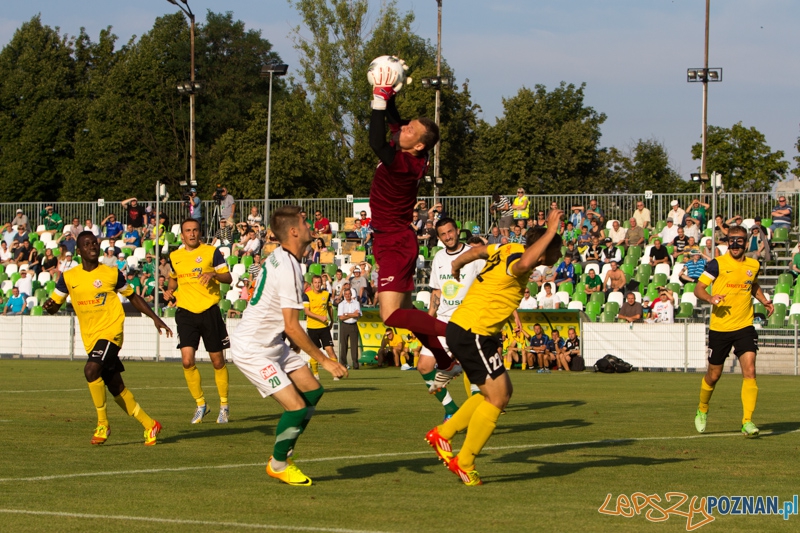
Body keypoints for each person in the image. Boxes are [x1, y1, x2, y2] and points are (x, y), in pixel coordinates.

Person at [425, 211, 563, 485]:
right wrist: (550, 231)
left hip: (472, 330)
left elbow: (476, 252)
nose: (559, 254)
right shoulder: (519, 260)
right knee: (498, 398)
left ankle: (444, 433)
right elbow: (524, 263)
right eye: (557, 249)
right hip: (472, 331)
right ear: (544, 249)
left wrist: (456, 266)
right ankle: (464, 461)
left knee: (499, 392)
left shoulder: (505, 247)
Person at [229, 205, 347, 486]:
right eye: (305, 222)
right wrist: (326, 360)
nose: (310, 226)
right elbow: (293, 327)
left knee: (313, 391)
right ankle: (279, 463)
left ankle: (285, 452)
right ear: (293, 231)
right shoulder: (288, 268)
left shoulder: (285, 259)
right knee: (295, 407)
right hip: (252, 349)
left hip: (272, 343)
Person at [367, 70, 459, 383]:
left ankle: (456, 334)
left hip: (395, 241)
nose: (404, 128)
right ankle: (445, 360)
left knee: (390, 316)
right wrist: (389, 94)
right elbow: (394, 121)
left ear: (419, 145)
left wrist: (379, 99)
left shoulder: (405, 163)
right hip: (389, 240)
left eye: (410, 130)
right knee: (407, 318)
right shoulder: (410, 151)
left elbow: (376, 140)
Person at [43, 231, 172, 445]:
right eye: (87, 244)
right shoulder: (69, 277)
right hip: (91, 337)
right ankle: (150, 424)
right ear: (79, 250)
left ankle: (103, 424)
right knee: (115, 386)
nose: (92, 246)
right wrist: (50, 307)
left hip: (111, 331)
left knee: (90, 370)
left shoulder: (112, 273)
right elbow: (54, 306)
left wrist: (154, 317)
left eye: (95, 243)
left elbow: (133, 296)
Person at [693, 225, 773, 437]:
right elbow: (698, 288)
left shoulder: (753, 264)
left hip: (745, 326)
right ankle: (702, 408)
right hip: (720, 328)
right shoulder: (716, 264)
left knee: (750, 370)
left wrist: (764, 301)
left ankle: (747, 421)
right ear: (727, 242)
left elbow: (752, 285)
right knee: (713, 375)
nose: (735, 244)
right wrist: (710, 298)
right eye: (731, 240)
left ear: (746, 243)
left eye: (739, 240)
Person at [164, 219, 233, 424]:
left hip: (209, 311)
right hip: (185, 312)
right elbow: (173, 278)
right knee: (187, 361)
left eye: (195, 230)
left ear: (199, 232)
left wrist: (213, 274)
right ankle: (201, 404)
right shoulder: (175, 256)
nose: (192, 234)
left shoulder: (212, 251)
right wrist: (170, 290)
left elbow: (228, 278)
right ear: (182, 235)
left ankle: (224, 406)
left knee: (217, 361)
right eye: (188, 231)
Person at [427, 218, 484, 418]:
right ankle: (451, 410)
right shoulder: (439, 258)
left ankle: (475, 413)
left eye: (450, 232)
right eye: (443, 234)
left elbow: (486, 286)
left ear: (458, 231)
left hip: (466, 320)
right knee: (424, 366)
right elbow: (436, 292)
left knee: (473, 369)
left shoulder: (474, 254)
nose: (448, 237)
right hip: (442, 320)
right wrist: (428, 322)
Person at [303, 274, 339, 380]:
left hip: (324, 327)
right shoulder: (307, 295)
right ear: (312, 284)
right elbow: (307, 311)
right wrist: (320, 317)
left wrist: (332, 320)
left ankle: (335, 373)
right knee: (315, 352)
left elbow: (330, 308)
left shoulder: (326, 294)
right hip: (312, 327)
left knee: (330, 350)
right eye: (315, 283)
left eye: (319, 282)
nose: (318, 285)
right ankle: (315, 374)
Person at [337, 286, 361, 370]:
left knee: (354, 346)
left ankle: (355, 364)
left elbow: (357, 315)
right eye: (346, 294)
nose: (347, 295)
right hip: (344, 325)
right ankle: (342, 363)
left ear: (351, 294)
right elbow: (341, 317)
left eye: (349, 294)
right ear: (344, 295)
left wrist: (347, 314)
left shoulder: (356, 303)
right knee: (344, 345)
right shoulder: (341, 304)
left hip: (353, 325)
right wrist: (352, 314)